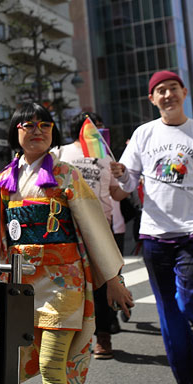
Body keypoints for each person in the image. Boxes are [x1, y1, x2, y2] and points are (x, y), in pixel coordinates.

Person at [0, 103, 133, 384]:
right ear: (15, 132)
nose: (38, 131)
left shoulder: (65, 174)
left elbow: (95, 228)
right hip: (23, 287)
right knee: (59, 374)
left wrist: (113, 280)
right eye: (28, 125)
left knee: (51, 365)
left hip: (63, 285)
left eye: (45, 125)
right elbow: (0, 239)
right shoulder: (4, 181)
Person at [111, 70, 193, 384]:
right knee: (169, 313)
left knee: (188, 301)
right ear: (152, 99)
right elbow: (126, 185)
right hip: (155, 233)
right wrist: (119, 175)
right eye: (160, 90)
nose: (167, 94)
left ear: (184, 92)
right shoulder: (143, 134)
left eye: (173, 88)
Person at [56, 112, 129, 359]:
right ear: (82, 129)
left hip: (102, 227)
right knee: (74, 283)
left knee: (103, 284)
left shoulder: (106, 157)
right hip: (69, 228)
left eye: (101, 128)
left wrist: (125, 177)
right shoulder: (61, 153)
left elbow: (118, 195)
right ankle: (74, 336)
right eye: (94, 128)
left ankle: (104, 338)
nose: (99, 133)